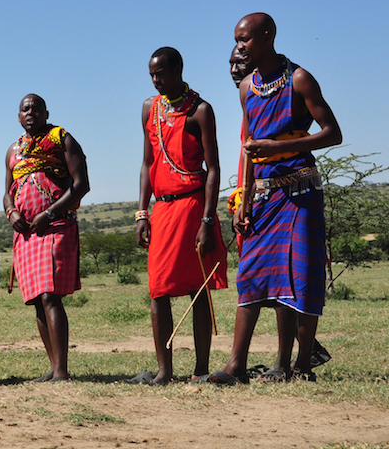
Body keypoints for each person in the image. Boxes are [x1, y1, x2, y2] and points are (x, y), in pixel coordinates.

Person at [210, 24, 339, 384]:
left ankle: (293, 365)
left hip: (300, 192)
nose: (240, 46)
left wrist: (277, 148)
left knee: (296, 275)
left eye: (245, 39)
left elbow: (333, 132)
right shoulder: (246, 88)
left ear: (267, 37)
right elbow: (250, 148)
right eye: (237, 40)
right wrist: (243, 200)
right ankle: (236, 366)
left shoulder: (299, 79)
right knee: (250, 273)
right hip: (263, 196)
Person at [133, 47, 228, 385]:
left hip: (192, 207)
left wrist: (207, 220)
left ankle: (201, 369)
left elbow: (214, 169)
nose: (157, 81)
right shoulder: (150, 108)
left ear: (179, 70)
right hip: (163, 209)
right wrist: (142, 212)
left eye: (161, 74)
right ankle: (164, 371)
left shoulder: (200, 111)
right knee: (158, 289)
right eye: (152, 76)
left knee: (197, 288)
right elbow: (147, 164)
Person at [3, 94, 90, 383]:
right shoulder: (13, 150)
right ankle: (54, 368)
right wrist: (11, 212)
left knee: (51, 295)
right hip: (27, 232)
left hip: (56, 225)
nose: (31, 112)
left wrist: (49, 214)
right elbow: (7, 192)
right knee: (37, 302)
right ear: (18, 116)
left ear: (46, 112)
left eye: (36, 108)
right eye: (25, 109)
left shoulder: (61, 138)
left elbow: (81, 185)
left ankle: (62, 371)